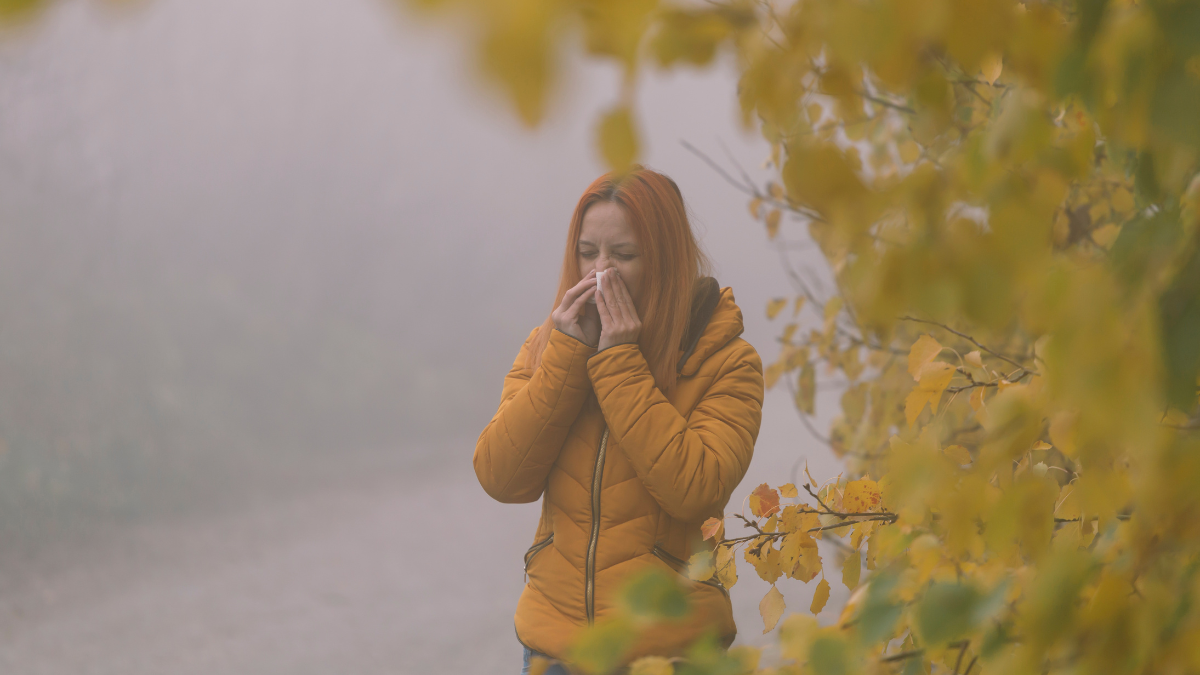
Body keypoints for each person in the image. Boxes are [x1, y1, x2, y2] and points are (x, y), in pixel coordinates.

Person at [473, 166, 765, 673]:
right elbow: (501, 478)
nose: (600, 272)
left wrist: (620, 363)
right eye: (588, 252)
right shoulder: (549, 345)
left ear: (668, 259)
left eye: (623, 255)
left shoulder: (727, 360)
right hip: (556, 651)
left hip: (673, 654)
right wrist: (567, 357)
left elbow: (695, 489)